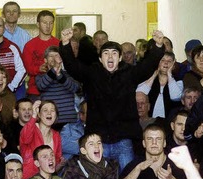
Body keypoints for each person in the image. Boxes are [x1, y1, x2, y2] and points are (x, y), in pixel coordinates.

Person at [60, 29, 166, 171]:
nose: (110, 56)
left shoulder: (130, 73)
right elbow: (72, 66)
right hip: (98, 141)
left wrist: (158, 47)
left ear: (120, 57)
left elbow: (148, 66)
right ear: (100, 58)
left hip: (124, 140)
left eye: (114, 53)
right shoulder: (92, 73)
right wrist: (66, 43)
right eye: (106, 53)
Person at [35, 46, 81, 126]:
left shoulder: (69, 75)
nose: (54, 58)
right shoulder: (40, 77)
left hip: (68, 122)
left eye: (57, 56)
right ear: (45, 60)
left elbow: (75, 88)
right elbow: (41, 86)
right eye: (51, 56)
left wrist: (59, 75)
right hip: (49, 122)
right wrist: (54, 69)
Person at [20, 100, 63, 179]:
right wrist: (33, 116)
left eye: (52, 110)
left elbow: (57, 158)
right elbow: (25, 139)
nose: (49, 113)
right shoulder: (31, 128)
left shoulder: (56, 135)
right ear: (39, 114)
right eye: (45, 110)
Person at [23, 10, 59, 99]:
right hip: (35, 91)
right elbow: (27, 68)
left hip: (55, 89)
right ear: (38, 24)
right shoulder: (29, 45)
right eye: (44, 23)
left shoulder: (59, 44)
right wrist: (38, 69)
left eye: (51, 23)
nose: (48, 26)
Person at [136, 52, 183, 119]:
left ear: (173, 65)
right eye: (162, 60)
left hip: (169, 121)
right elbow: (140, 93)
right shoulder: (149, 79)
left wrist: (169, 74)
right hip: (149, 120)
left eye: (169, 61)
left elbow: (175, 97)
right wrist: (154, 75)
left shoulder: (178, 81)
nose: (166, 63)